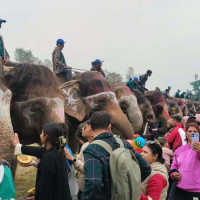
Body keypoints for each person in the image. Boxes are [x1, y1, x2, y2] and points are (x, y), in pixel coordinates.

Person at [82, 111, 151, 200]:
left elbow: (93, 183)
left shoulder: (91, 149)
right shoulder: (123, 143)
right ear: (109, 127)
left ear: (91, 127)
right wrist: (128, 186)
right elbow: (146, 168)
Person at [12, 123, 72, 200]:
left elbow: (46, 187)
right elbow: (36, 151)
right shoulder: (56, 151)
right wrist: (18, 146)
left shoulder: (50, 157)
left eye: (42, 133)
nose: (40, 135)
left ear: (46, 137)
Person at [170, 123, 200, 199]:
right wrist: (173, 174)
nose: (192, 133)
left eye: (195, 131)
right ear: (186, 134)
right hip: (180, 188)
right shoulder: (179, 150)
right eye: (189, 131)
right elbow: (174, 166)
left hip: (196, 190)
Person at [65, 120, 93, 199]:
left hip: (89, 191)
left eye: (85, 127)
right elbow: (78, 159)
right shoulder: (85, 146)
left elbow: (86, 169)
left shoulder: (95, 148)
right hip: (80, 188)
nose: (82, 129)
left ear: (92, 131)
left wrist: (72, 158)